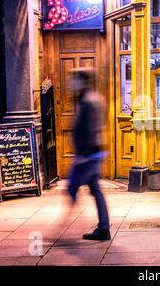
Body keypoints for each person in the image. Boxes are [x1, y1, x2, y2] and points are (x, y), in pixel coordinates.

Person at [67, 67, 111, 240]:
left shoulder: (86, 101)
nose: (71, 83)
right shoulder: (96, 98)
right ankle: (103, 228)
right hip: (94, 152)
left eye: (74, 79)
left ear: (83, 81)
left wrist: (82, 154)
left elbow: (88, 129)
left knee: (72, 189)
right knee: (95, 189)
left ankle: (66, 224)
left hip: (88, 154)